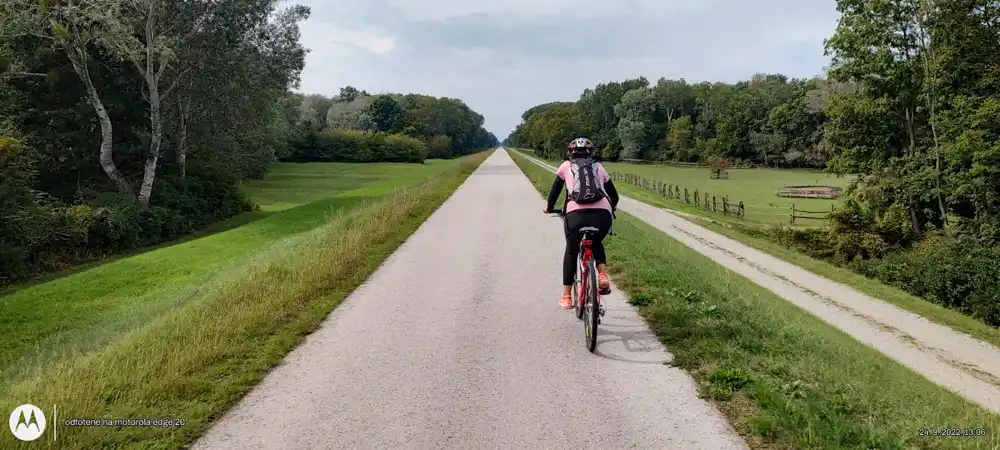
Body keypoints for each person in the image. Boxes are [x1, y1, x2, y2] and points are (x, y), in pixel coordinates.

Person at [542, 137, 620, 310]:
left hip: (575, 215)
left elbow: (554, 193)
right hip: (602, 215)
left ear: (571, 153)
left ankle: (567, 296)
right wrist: (610, 208)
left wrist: (549, 208)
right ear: (590, 153)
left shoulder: (565, 166)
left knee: (571, 250)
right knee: (597, 240)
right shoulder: (598, 167)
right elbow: (614, 196)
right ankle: (602, 275)